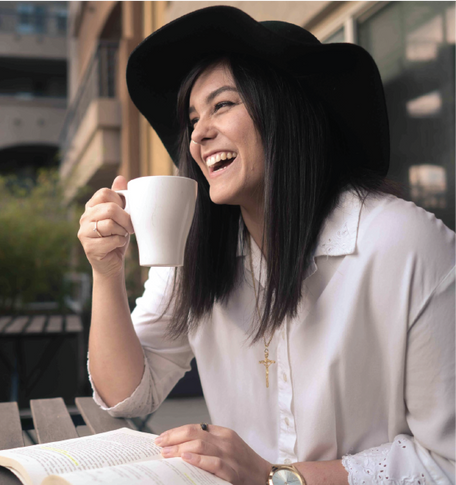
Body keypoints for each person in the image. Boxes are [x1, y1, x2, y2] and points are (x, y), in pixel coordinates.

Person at [78, 6, 456, 485]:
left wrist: (277, 476)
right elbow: (128, 394)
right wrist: (106, 272)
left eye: (222, 105)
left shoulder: (405, 244)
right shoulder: (197, 249)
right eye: (192, 119)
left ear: (285, 110)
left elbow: (447, 462)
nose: (198, 134)